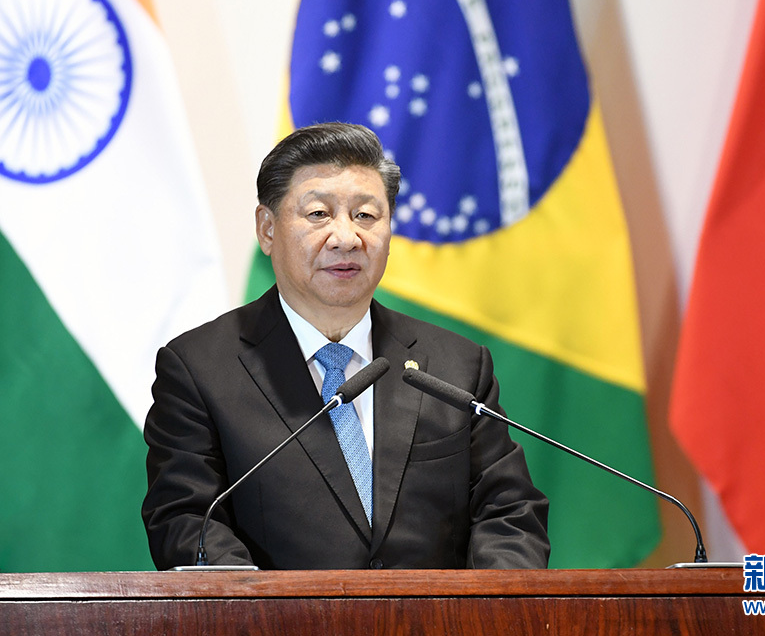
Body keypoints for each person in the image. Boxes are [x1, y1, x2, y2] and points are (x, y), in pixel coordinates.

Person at [142, 122, 550, 570]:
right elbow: (188, 521)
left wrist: (488, 605)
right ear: (267, 229)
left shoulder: (456, 367)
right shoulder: (200, 370)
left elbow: (510, 513)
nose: (346, 238)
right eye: (319, 214)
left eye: (366, 216)